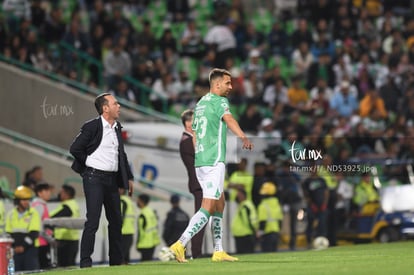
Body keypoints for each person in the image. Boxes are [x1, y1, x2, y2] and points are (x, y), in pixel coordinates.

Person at [169, 68, 253, 263]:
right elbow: (229, 119)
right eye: (227, 83)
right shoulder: (219, 101)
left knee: (219, 202)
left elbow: (196, 134)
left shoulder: (199, 104)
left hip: (202, 161)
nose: (231, 87)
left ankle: (218, 250)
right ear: (217, 84)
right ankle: (180, 243)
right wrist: (243, 137)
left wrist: (200, 153)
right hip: (214, 160)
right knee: (207, 206)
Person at [69, 93, 134, 268]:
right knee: (93, 221)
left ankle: (116, 262)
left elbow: (122, 154)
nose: (119, 106)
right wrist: (89, 163)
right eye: (115, 103)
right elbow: (75, 148)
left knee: (116, 221)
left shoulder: (117, 127)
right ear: (105, 108)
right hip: (94, 178)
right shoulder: (92, 126)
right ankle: (85, 264)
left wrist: (129, 177)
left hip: (112, 180)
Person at [179, 109, 205, 258]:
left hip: (200, 184)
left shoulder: (189, 140)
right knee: (200, 220)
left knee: (202, 218)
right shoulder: (187, 141)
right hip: (199, 184)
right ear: (188, 123)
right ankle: (195, 252)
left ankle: (195, 250)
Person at [5, 186, 41, 272]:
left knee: (31, 272)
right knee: (14, 272)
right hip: (14, 250)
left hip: (30, 249)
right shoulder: (10, 214)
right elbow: (8, 234)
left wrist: (23, 246)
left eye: (28, 199)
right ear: (17, 201)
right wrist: (14, 247)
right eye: (23, 200)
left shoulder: (33, 213)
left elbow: (34, 233)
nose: (26, 202)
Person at [49, 184, 80, 267]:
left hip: (66, 241)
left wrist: (47, 220)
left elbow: (55, 217)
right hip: (70, 239)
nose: (59, 194)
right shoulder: (71, 204)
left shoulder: (68, 206)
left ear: (67, 194)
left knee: (65, 266)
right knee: (69, 266)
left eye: (61, 192)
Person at [302, 164, 329, 247]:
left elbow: (326, 193)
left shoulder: (322, 180)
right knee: (310, 224)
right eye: (312, 169)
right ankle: (309, 241)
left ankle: (322, 241)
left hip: (322, 206)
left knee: (322, 224)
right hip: (311, 206)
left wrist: (324, 203)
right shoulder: (307, 182)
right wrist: (311, 204)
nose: (314, 171)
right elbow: (306, 195)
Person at [31, 182, 54, 269]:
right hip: (41, 242)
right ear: (39, 193)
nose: (49, 193)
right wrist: (49, 238)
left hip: (42, 241)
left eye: (49, 190)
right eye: (46, 191)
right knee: (43, 267)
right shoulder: (38, 206)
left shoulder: (40, 205)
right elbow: (38, 226)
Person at [257, 182, 283, 252]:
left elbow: (262, 222)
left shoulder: (263, 205)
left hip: (266, 234)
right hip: (276, 234)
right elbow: (280, 221)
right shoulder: (277, 204)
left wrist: (259, 233)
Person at [231, 189, 258, 254]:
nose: (237, 197)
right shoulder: (245, 205)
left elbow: (248, 220)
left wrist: (254, 231)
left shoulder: (245, 206)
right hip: (243, 234)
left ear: (243, 195)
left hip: (244, 234)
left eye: (239, 195)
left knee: (245, 255)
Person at [136, 194, 160, 261]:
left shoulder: (142, 214)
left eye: (138, 201)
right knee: (149, 261)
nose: (137, 202)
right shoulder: (151, 211)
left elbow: (140, 231)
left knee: (144, 262)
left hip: (144, 243)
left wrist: (138, 243)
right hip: (153, 241)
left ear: (141, 202)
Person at [120, 188, 137, 264]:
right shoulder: (128, 200)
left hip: (123, 231)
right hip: (129, 230)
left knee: (122, 253)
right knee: (126, 254)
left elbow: (121, 216)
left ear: (122, 190)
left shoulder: (122, 201)